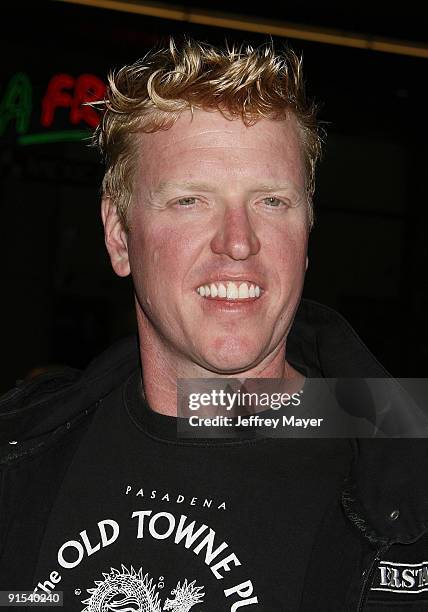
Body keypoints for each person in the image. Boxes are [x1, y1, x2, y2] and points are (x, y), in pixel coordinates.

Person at [0, 38, 427, 612]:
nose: (238, 242)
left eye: (272, 201)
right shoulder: (19, 452)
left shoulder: (407, 477)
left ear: (307, 233)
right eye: (189, 201)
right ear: (118, 234)